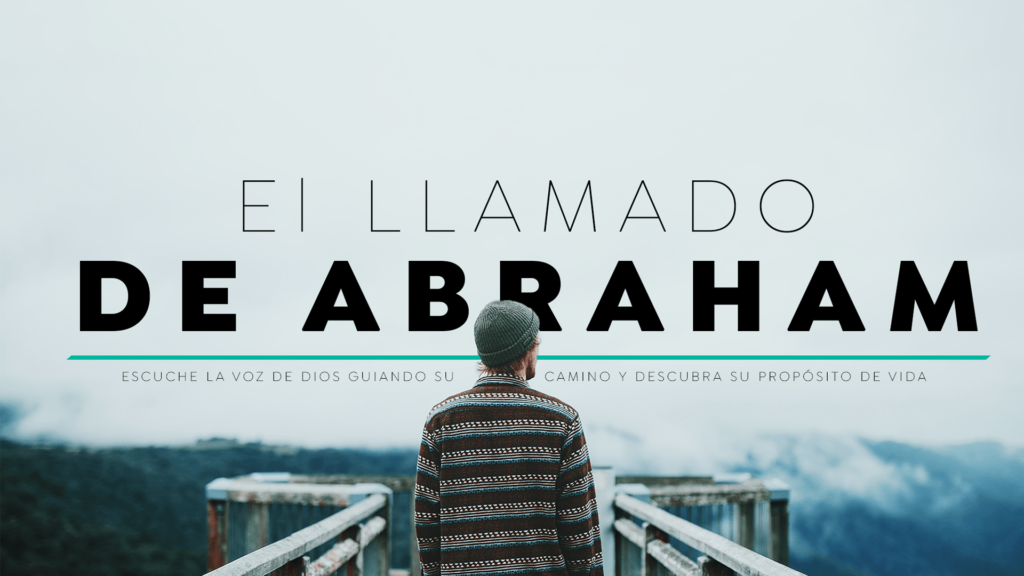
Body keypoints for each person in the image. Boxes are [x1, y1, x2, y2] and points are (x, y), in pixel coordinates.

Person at [414, 300, 603, 576]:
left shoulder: (441, 420)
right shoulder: (562, 420)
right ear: (528, 348)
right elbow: (579, 526)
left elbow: (427, 520)